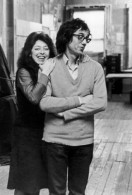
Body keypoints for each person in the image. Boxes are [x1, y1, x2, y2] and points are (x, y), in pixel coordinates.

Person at [39, 18, 107, 195]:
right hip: (54, 140)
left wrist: (65, 114)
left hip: (83, 140)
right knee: (56, 192)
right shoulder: (49, 66)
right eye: (80, 37)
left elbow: (100, 102)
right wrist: (80, 100)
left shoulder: (95, 68)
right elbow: (45, 103)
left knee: (78, 191)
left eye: (87, 38)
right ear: (66, 37)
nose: (84, 42)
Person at [7, 32, 56, 195]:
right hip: (26, 134)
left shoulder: (51, 70)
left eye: (46, 48)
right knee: (26, 183)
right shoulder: (24, 71)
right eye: (37, 48)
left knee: (40, 180)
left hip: (46, 131)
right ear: (29, 51)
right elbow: (34, 97)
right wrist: (45, 74)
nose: (42, 52)